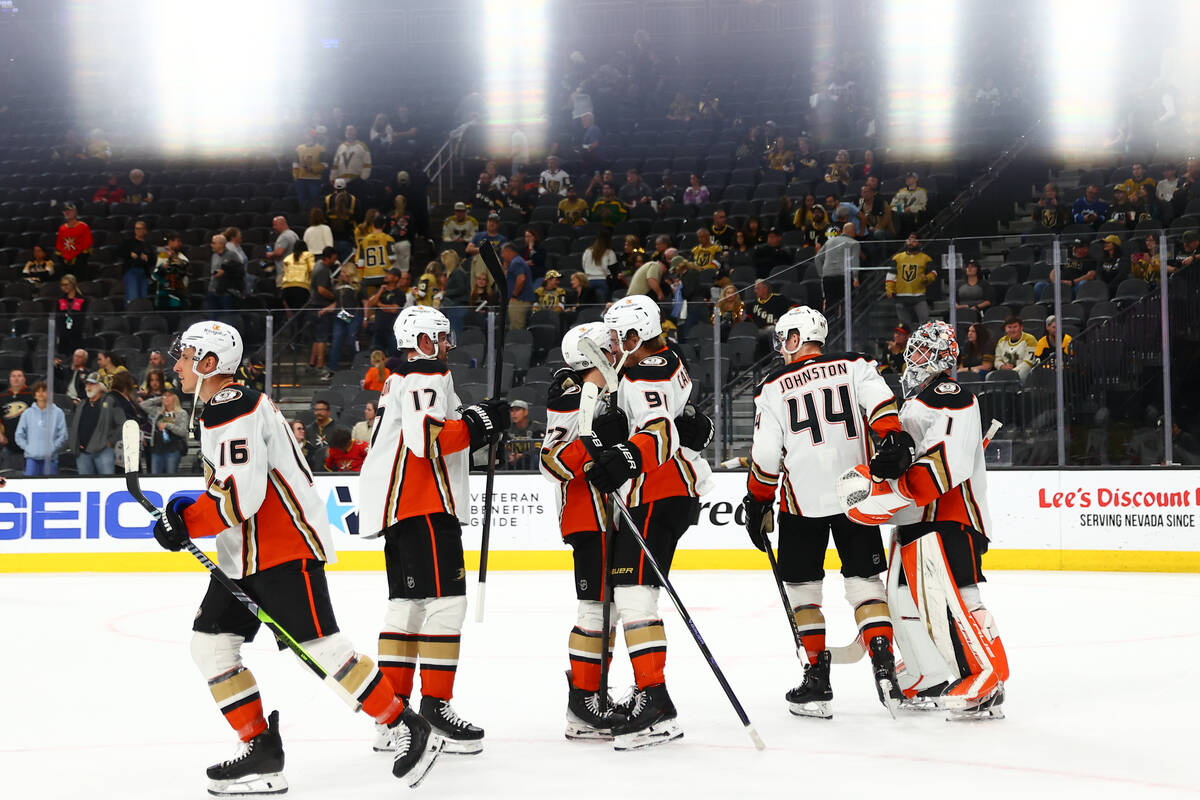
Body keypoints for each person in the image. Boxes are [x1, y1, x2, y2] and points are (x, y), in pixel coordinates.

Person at [152, 321, 441, 794]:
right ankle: (262, 751)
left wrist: (189, 523)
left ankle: (405, 723)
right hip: (244, 557)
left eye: (184, 356)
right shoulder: (229, 407)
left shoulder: (232, 405)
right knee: (211, 645)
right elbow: (232, 485)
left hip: (279, 550)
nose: (176, 365)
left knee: (321, 647)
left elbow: (239, 497)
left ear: (209, 364)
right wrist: (187, 510)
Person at [742, 306, 908, 719]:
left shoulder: (773, 387)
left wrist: (758, 500)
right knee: (864, 582)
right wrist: (892, 440)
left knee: (802, 590)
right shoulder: (854, 365)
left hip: (802, 504)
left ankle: (816, 679)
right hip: (856, 495)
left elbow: (765, 456)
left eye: (784, 339)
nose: (781, 348)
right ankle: (885, 667)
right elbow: (883, 407)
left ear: (797, 338)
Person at [358, 306, 509, 754]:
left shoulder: (401, 376)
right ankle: (435, 711)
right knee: (446, 606)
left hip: (400, 507)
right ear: (422, 341)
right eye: (441, 337)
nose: (447, 346)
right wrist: (481, 425)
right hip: (423, 503)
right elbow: (427, 439)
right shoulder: (426, 374)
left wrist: (475, 420)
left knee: (405, 607)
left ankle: (395, 717)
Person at [846, 320, 1008, 719]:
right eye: (911, 350)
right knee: (902, 597)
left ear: (941, 356)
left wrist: (899, 487)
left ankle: (985, 676)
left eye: (920, 350)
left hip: (951, 515)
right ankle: (929, 673)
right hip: (917, 518)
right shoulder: (917, 400)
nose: (910, 358)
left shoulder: (948, 394)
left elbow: (946, 461)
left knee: (957, 595)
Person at [581, 295, 716, 749]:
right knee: (631, 594)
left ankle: (655, 703)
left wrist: (623, 456)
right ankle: (649, 694)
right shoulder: (663, 360)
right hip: (664, 490)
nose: (614, 347)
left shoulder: (647, 371)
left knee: (635, 596)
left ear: (637, 335)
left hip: (659, 490)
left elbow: (661, 430)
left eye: (619, 339)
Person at [538, 324, 630, 740]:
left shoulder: (603, 391)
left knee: (607, 610)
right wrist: (592, 444)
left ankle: (596, 694)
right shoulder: (569, 396)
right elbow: (550, 462)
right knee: (594, 609)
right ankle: (582, 705)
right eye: (607, 346)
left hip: (609, 514)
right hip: (585, 516)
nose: (615, 350)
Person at [68, 373, 122, 475]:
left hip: (103, 451)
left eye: (92, 384)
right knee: (86, 487)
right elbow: (74, 426)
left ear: (100, 386)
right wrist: (75, 442)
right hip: (83, 453)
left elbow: (122, 424)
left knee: (106, 486)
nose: (88, 387)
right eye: (87, 384)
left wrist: (111, 441)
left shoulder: (110, 402)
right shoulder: (82, 404)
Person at [14, 381, 66, 476]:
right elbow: (19, 435)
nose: (41, 394)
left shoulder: (58, 413)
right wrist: (28, 448)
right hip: (31, 458)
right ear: (34, 395)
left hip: (50, 459)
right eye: (38, 391)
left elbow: (63, 435)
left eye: (44, 391)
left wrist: (53, 448)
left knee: (49, 488)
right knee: (30, 487)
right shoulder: (27, 413)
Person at [885, 234, 937, 327]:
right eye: (909, 240)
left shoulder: (925, 258)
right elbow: (891, 275)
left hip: (919, 296)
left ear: (919, 243)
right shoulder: (897, 258)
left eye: (914, 240)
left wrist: (927, 278)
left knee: (925, 324)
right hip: (901, 296)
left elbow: (934, 272)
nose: (911, 242)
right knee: (904, 326)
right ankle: (906, 341)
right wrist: (890, 290)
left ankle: (923, 341)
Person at [141, 388, 188, 474]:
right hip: (157, 450)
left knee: (170, 476)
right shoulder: (158, 411)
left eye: (169, 396)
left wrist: (168, 425)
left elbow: (182, 431)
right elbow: (143, 405)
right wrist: (159, 398)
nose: (166, 398)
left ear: (175, 398)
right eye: (165, 395)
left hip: (172, 449)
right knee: (155, 477)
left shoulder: (181, 413)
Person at [816, 223, 860, 309]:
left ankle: (830, 322)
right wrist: (856, 277)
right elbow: (855, 260)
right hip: (844, 277)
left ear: (843, 231)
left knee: (830, 305)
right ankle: (844, 322)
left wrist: (821, 275)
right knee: (847, 306)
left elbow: (817, 258)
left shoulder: (829, 241)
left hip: (827, 277)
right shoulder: (854, 243)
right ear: (854, 232)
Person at [367, 268, 409, 355]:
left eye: (389, 274)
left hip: (392, 329)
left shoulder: (399, 293)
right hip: (378, 328)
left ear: (396, 278)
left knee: (393, 356)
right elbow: (370, 303)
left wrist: (380, 305)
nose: (386, 276)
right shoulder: (380, 290)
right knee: (377, 355)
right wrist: (380, 291)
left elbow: (394, 309)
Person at [309, 248, 338, 372]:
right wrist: (334, 297)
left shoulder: (318, 266)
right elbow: (321, 289)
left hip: (314, 305)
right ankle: (320, 365)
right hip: (320, 305)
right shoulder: (323, 270)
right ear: (328, 257)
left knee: (317, 338)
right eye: (334, 258)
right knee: (322, 338)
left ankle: (312, 363)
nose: (335, 260)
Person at [354, 215, 396, 289]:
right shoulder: (387, 239)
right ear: (384, 225)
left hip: (368, 278)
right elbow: (392, 258)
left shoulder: (364, 241)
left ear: (373, 225)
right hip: (384, 276)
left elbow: (360, 263)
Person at [119, 219, 155, 303]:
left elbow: (153, 260)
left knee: (143, 297)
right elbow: (118, 252)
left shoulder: (148, 245)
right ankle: (132, 314)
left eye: (140, 229)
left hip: (144, 272)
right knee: (133, 296)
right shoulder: (128, 242)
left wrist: (147, 258)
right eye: (136, 229)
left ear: (145, 230)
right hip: (131, 270)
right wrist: (129, 254)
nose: (138, 231)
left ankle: (142, 313)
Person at [500, 242, 534, 330]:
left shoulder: (516, 262)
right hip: (521, 300)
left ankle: (518, 344)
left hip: (519, 301)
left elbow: (521, 279)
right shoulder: (517, 261)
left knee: (517, 329)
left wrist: (514, 295)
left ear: (508, 252)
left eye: (502, 253)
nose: (502, 256)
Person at [153, 232, 190, 311]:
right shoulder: (162, 256)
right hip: (163, 294)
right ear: (170, 242)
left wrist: (173, 257)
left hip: (178, 293)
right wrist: (163, 266)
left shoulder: (182, 258)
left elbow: (183, 268)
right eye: (178, 241)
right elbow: (155, 276)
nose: (180, 243)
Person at [993, 317, 1038, 382]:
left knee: (1022, 374)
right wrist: (1002, 366)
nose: (1012, 330)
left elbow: (1029, 362)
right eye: (1009, 327)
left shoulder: (1030, 339)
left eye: (1015, 327)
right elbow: (997, 360)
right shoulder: (1001, 341)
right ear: (1005, 329)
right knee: (990, 375)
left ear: (1021, 328)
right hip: (1005, 372)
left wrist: (1012, 372)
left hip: (1024, 371)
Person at [294, 129, 327, 212]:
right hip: (301, 180)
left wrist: (312, 169)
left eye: (310, 134)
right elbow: (295, 164)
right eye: (307, 134)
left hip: (315, 180)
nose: (308, 136)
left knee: (314, 203)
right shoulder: (299, 148)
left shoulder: (321, 149)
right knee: (302, 202)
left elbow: (325, 165)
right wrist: (296, 177)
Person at [55, 202, 92, 277]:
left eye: (70, 210)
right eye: (65, 211)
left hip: (80, 262)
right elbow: (59, 246)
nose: (67, 213)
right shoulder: (62, 228)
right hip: (65, 262)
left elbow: (87, 245)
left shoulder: (83, 226)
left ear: (75, 212)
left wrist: (78, 258)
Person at [56, 274, 87, 356]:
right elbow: (58, 317)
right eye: (62, 285)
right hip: (63, 335)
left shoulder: (82, 299)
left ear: (73, 284)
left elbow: (82, 318)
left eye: (66, 285)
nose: (64, 287)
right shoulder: (60, 299)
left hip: (77, 334)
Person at [280, 241, 315, 313]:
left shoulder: (287, 258)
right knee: (300, 314)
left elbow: (283, 274)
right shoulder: (308, 255)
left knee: (293, 313)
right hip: (301, 288)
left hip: (286, 289)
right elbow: (312, 270)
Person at [582, 230, 617, 300]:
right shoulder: (609, 252)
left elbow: (583, 265)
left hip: (589, 281)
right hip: (603, 281)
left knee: (588, 304)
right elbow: (613, 268)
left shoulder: (587, 251)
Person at [307, 399, 336, 469]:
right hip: (312, 464)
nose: (318, 412)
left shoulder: (338, 429)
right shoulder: (308, 429)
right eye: (316, 410)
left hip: (332, 464)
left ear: (329, 412)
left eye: (322, 410)